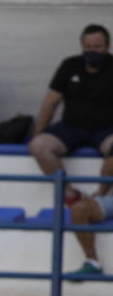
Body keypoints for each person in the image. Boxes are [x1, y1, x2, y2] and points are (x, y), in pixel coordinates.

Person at [28, 24, 113, 195]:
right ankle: (69, 194)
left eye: (97, 47)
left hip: (106, 130)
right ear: (82, 46)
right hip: (71, 128)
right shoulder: (70, 65)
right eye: (88, 47)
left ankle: (99, 197)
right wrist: (39, 132)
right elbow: (50, 102)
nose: (92, 51)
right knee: (38, 145)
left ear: (107, 47)